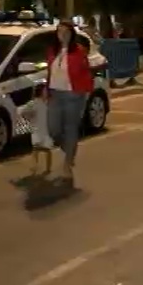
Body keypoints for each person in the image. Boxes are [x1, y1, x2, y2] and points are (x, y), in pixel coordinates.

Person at [46, 20, 94, 185]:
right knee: (53, 129)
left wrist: (84, 93)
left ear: (71, 34)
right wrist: (46, 89)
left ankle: (67, 165)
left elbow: (86, 73)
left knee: (70, 128)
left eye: (66, 32)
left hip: (73, 95)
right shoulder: (53, 50)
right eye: (59, 32)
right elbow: (49, 72)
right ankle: (69, 150)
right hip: (55, 94)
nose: (62, 35)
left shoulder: (79, 51)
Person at [20, 84, 54, 176]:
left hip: (45, 130)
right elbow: (23, 112)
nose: (46, 92)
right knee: (37, 149)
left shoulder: (48, 103)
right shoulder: (34, 103)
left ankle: (47, 168)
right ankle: (35, 167)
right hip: (37, 129)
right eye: (45, 91)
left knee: (46, 149)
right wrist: (29, 117)